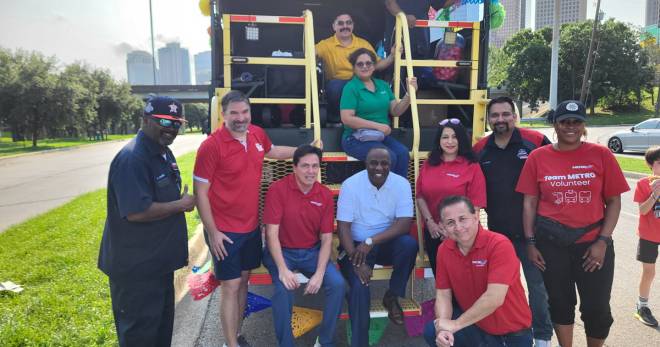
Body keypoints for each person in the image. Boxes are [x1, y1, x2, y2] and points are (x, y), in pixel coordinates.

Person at [516, 100, 629, 347]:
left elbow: (614, 202)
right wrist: (531, 243)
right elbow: (529, 204)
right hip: (551, 245)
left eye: (576, 121)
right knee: (559, 302)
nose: (570, 127)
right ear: (555, 125)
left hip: (593, 245)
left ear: (583, 126)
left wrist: (603, 240)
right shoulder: (537, 157)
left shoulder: (601, 155)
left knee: (597, 308)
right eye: (564, 121)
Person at [193, 90, 301, 347]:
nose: (240, 118)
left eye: (244, 112)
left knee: (242, 283)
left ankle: (237, 334)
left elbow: (273, 152)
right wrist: (213, 232)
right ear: (223, 114)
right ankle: (230, 344)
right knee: (230, 287)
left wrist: (303, 150)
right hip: (224, 232)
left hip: (251, 227)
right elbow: (200, 193)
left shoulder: (256, 133)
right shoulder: (211, 146)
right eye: (234, 113)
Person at [98, 96, 196, 347]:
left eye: (176, 123)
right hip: (137, 271)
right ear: (145, 120)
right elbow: (136, 212)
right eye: (164, 121)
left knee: (159, 334)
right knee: (140, 336)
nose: (171, 128)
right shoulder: (133, 158)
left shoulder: (163, 152)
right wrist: (181, 204)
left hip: (157, 266)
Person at [472, 96, 553, 346]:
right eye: (495, 115)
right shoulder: (479, 149)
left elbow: (555, 174)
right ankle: (509, 333)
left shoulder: (536, 141)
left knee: (539, 290)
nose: (500, 120)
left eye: (505, 114)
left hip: (535, 236)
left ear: (514, 116)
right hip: (499, 236)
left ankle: (542, 337)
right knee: (503, 290)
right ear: (488, 119)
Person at [262, 145, 345, 347]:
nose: (311, 171)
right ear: (294, 167)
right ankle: (286, 344)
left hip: (311, 251)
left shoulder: (324, 194)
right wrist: (282, 270)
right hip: (281, 251)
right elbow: (271, 234)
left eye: (315, 166)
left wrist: (318, 274)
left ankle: (324, 341)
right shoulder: (277, 189)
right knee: (283, 290)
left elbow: (326, 239)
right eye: (305, 166)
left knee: (337, 284)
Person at [423, 195, 533, 347]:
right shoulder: (444, 250)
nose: (458, 227)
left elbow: (494, 298)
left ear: (475, 216)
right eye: (450, 223)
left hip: (511, 335)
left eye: (463, 219)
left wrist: (455, 325)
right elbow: (443, 294)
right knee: (432, 331)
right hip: (478, 327)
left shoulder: (499, 244)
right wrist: (444, 328)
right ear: (442, 226)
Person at [337, 147, 418, 347]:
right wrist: (356, 263)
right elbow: (343, 227)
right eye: (374, 162)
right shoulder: (351, 185)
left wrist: (370, 241)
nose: (379, 167)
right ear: (366, 163)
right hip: (355, 247)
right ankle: (360, 343)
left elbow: (404, 224)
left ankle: (392, 296)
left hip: (382, 243)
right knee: (359, 288)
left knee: (409, 244)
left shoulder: (401, 184)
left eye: (384, 163)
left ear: (390, 164)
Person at [416, 118, 486, 278]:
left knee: (463, 283)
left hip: (463, 235)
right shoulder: (429, 164)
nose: (450, 141)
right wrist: (430, 223)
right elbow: (420, 196)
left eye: (455, 137)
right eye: (445, 137)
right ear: (438, 140)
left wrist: (454, 231)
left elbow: (475, 206)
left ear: (461, 139)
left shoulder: (472, 167)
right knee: (441, 281)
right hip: (434, 232)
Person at [340, 48, 417, 178]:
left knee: (403, 153)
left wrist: (410, 94)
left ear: (374, 66)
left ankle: (397, 194)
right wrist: (378, 126)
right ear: (354, 67)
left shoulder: (383, 85)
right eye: (360, 64)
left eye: (368, 63)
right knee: (388, 157)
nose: (365, 66)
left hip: (379, 137)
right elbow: (347, 119)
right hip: (354, 138)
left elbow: (396, 111)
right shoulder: (351, 87)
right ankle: (380, 195)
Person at [316, 13, 396, 124]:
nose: (345, 26)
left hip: (361, 81)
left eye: (348, 23)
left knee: (378, 87)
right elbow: (310, 55)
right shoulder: (325, 44)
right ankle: (336, 119)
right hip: (338, 84)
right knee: (335, 87)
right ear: (334, 26)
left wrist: (392, 56)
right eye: (340, 23)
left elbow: (377, 65)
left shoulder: (363, 44)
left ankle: (369, 118)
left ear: (353, 25)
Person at [633, 146, 660, 327]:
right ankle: (642, 307)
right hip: (649, 234)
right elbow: (643, 210)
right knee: (649, 272)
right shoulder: (643, 184)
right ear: (650, 165)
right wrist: (655, 194)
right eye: (659, 163)